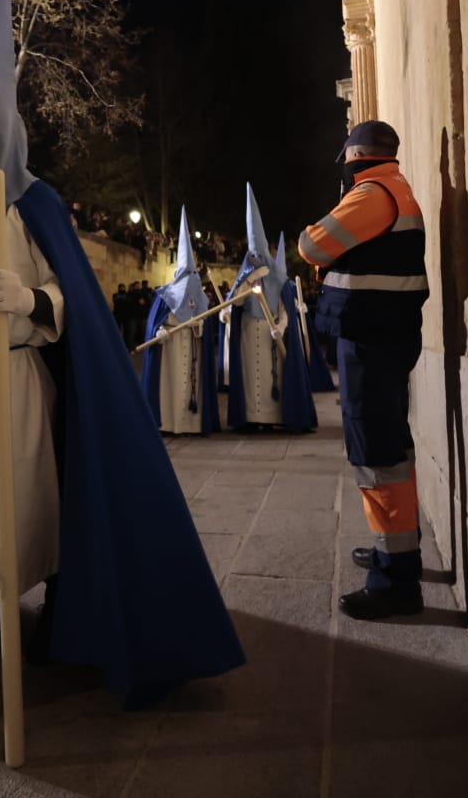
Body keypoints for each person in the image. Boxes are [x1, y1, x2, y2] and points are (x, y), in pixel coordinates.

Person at [0, 0, 242, 735]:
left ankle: (47, 632)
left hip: (8, 387)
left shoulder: (32, 205)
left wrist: (32, 298)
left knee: (18, 529)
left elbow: (76, 304)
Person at [298, 119, 429, 620]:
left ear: (355, 155)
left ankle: (395, 579)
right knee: (390, 445)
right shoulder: (395, 188)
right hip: (385, 334)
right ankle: (395, 549)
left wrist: (330, 221)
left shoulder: (373, 193)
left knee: (375, 452)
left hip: (372, 338)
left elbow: (313, 245)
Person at [223, 187, 316, 433]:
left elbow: (285, 307)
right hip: (247, 332)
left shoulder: (279, 279)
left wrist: (281, 326)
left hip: (270, 331)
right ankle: (252, 418)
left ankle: (272, 416)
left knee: (270, 375)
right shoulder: (246, 276)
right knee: (250, 376)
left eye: (260, 253)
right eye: (252, 254)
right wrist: (248, 279)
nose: (256, 257)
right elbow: (235, 304)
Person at [140, 208, 220, 435]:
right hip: (170, 347)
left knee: (192, 384)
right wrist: (158, 333)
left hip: (193, 346)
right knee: (169, 386)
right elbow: (154, 324)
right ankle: (169, 423)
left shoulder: (201, 298)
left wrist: (200, 328)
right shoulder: (165, 296)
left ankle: (192, 424)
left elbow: (207, 323)